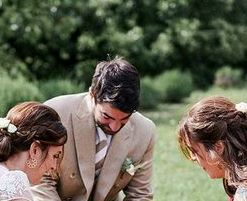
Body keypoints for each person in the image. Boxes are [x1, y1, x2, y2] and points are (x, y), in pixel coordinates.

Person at [32, 57, 155, 201]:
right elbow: (39, 180)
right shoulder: (55, 112)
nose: (114, 127)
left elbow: (140, 195)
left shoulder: (145, 130)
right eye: (107, 116)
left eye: (124, 119)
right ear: (92, 95)